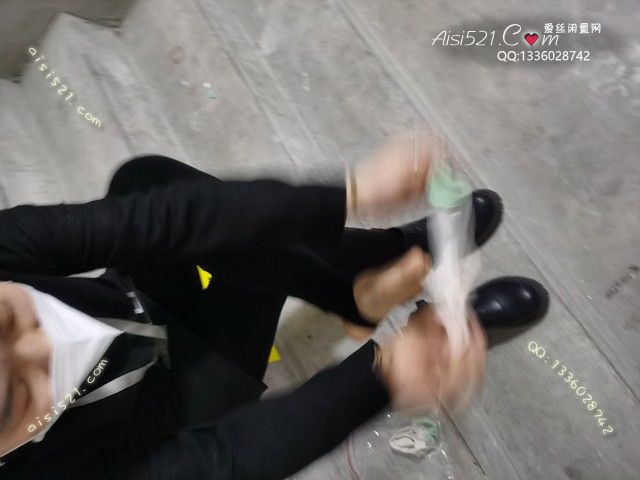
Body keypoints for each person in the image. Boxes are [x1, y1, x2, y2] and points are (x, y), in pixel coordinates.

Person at [0, 135, 548, 479]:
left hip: (131, 305)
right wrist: (385, 377)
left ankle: (364, 277)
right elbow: (223, 461)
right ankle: (375, 283)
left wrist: (350, 193)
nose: (42, 342)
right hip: (172, 406)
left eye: (8, 320)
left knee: (142, 183)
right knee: (256, 261)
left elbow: (156, 220)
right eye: (13, 394)